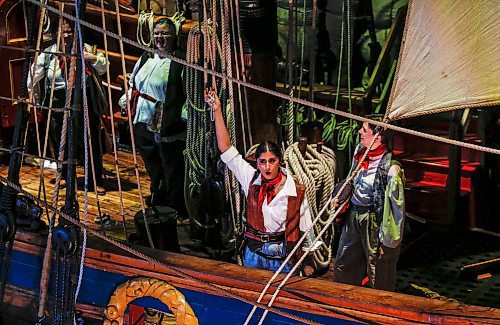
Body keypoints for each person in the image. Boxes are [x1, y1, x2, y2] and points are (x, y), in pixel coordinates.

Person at [207, 88, 316, 273]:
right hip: (254, 253)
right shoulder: (250, 179)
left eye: (272, 161)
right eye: (263, 162)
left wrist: (307, 263)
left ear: (279, 161)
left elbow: (307, 231)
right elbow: (226, 149)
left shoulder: (295, 191)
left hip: (282, 257)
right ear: (257, 163)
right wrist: (217, 111)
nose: (267, 167)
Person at [27, 19, 108, 196]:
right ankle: (63, 175)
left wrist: (92, 58)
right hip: (57, 98)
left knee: (89, 139)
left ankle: (95, 179)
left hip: (82, 96)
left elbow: (103, 68)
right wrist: (36, 97)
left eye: (69, 31)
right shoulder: (49, 54)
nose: (66, 35)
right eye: (62, 32)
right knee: (59, 138)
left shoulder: (85, 49)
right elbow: (33, 75)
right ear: (57, 34)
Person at [119, 17, 187, 218]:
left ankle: (176, 206)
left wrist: (181, 120)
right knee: (152, 163)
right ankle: (158, 196)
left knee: (171, 165)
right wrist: (126, 101)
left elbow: (186, 93)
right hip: (142, 118)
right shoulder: (147, 57)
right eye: (157, 33)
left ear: (173, 37)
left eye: (164, 33)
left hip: (165, 122)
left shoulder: (179, 61)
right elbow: (134, 83)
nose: (160, 38)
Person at [332, 115, 405, 291]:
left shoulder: (391, 170)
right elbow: (353, 176)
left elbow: (396, 211)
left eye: (364, 130)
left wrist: (389, 243)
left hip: (374, 219)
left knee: (377, 267)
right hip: (355, 213)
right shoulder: (361, 152)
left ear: (377, 136)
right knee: (345, 259)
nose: (359, 132)